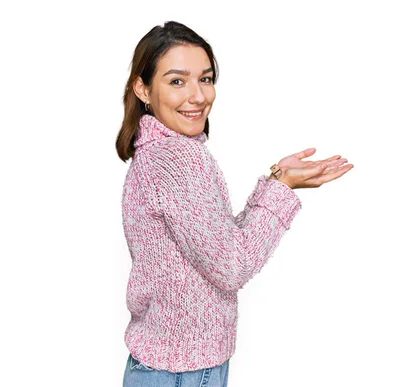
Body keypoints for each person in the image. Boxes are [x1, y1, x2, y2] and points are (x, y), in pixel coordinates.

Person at [115, 21, 353, 387]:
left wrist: (276, 182)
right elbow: (232, 264)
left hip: (168, 367)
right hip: (182, 374)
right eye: (177, 81)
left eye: (205, 79)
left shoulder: (154, 154)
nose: (197, 96)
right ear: (143, 88)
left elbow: (216, 243)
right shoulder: (176, 159)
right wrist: (282, 188)